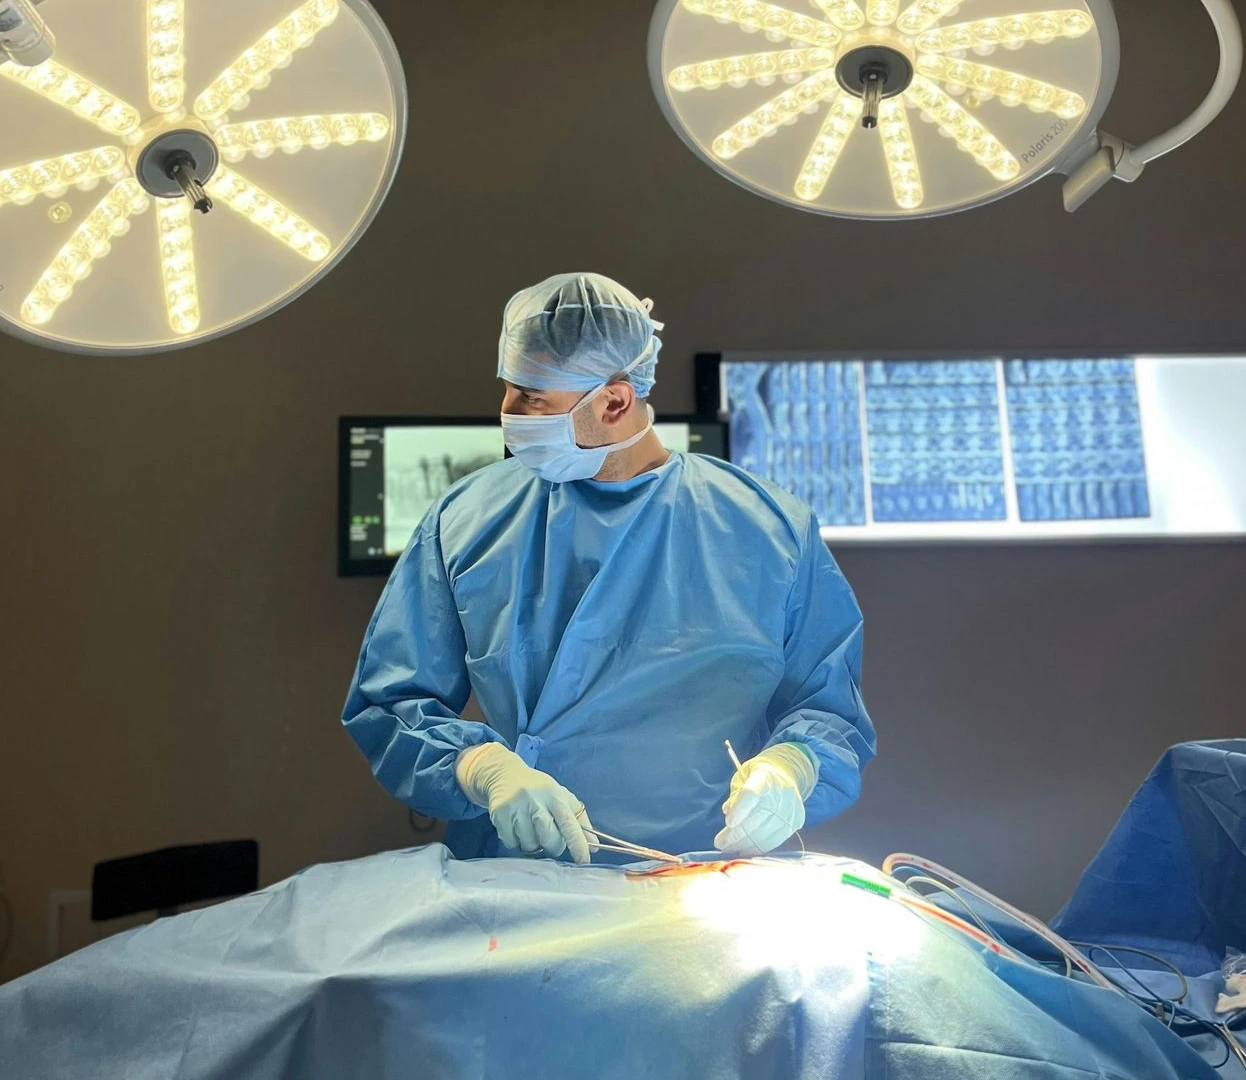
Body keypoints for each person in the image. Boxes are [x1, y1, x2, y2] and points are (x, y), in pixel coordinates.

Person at [342, 272, 875, 864]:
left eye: (533, 398)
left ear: (616, 400)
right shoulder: (467, 518)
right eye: (510, 389)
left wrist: (791, 766)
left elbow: (827, 708)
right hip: (528, 864)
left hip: (714, 869)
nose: (507, 413)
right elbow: (391, 699)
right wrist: (480, 768)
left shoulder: (768, 528)